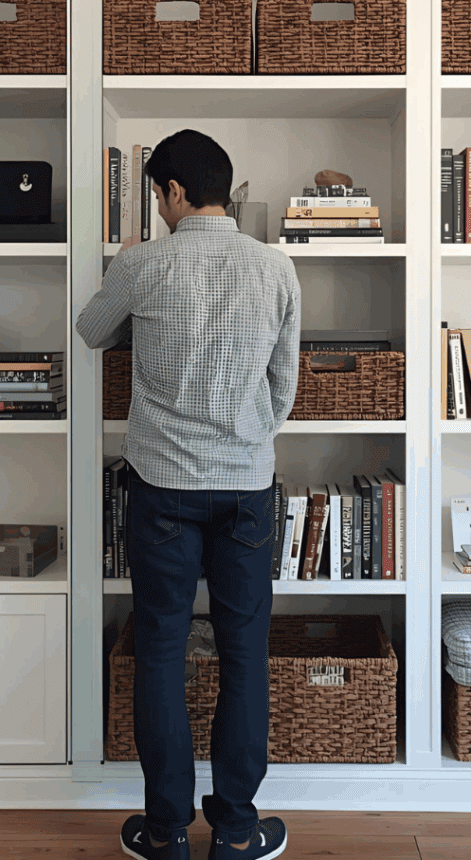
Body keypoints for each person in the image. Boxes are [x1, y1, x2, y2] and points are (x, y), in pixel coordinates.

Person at [76, 129, 301, 860]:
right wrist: (247, 434)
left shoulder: (144, 262)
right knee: (245, 655)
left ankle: (167, 830)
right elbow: (285, 388)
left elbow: (91, 331)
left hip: (163, 491)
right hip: (245, 490)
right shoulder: (276, 267)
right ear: (224, 187)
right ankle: (236, 831)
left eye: (159, 195)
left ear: (173, 192)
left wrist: (132, 274)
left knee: (161, 654)